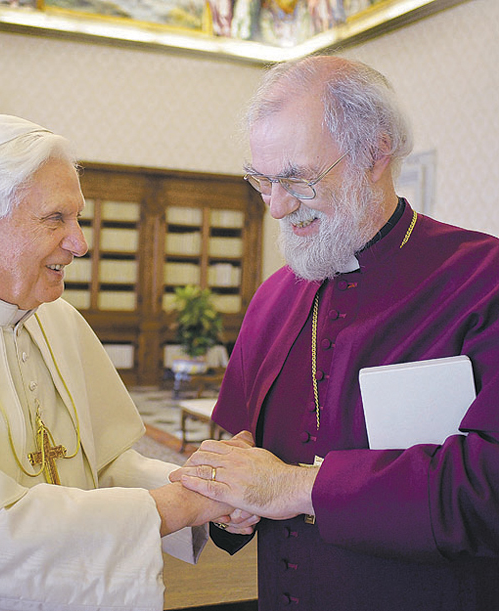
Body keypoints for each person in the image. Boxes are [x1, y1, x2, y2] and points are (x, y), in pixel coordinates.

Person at [0, 114, 257, 610]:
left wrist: (210, 492)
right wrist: (181, 504)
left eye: (77, 218)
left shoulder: (57, 318)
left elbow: (105, 465)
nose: (80, 242)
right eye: (55, 219)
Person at [170, 55, 499, 610]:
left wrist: (294, 488)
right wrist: (232, 497)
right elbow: (239, 450)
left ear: (375, 153)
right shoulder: (274, 297)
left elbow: (490, 486)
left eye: (297, 179)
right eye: (263, 181)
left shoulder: (482, 278)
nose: (276, 207)